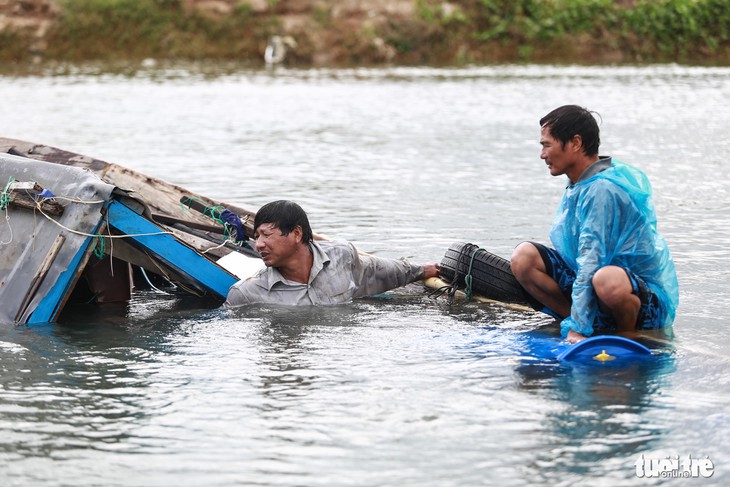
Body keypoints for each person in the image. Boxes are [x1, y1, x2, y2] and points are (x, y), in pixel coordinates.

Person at [510, 105, 679, 344]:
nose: (543, 155)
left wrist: (579, 328)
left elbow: (591, 261)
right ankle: (575, 319)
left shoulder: (602, 190)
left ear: (575, 143)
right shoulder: (580, 181)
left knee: (606, 279)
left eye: (546, 145)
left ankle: (625, 335)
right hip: (596, 284)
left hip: (638, 297)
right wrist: (576, 322)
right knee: (524, 257)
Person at [225, 200, 440, 306]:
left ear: (297, 233)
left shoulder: (342, 257)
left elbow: (379, 270)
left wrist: (421, 270)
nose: (259, 244)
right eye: (257, 237)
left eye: (266, 235)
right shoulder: (246, 294)